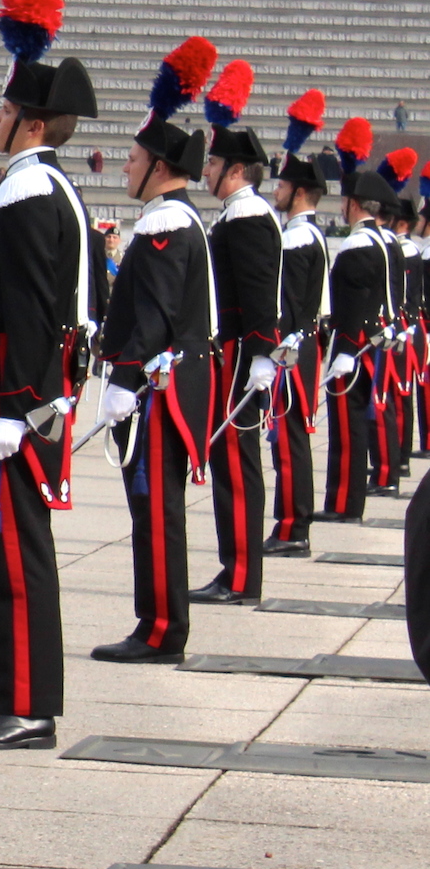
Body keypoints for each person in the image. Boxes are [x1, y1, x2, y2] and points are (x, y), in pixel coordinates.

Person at [0, 0, 97, 748]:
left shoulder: (32, 189)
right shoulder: (30, 183)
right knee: (8, 552)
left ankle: (29, 706)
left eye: (4, 108)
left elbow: (39, 311)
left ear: (30, 123)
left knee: (17, 551)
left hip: (14, 393)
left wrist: (20, 408)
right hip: (10, 391)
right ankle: (19, 699)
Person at [92, 38, 220, 665]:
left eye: (134, 158)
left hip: (158, 391)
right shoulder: (167, 219)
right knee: (151, 510)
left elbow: (157, 316)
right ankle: (154, 620)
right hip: (157, 386)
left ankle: (162, 627)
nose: (124, 167)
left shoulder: (167, 223)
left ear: (160, 167)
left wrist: (125, 375)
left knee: (157, 510)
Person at [194, 65, 283, 606]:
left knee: (238, 461)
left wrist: (261, 355)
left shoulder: (247, 218)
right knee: (230, 463)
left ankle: (242, 574)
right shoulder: (238, 215)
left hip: (239, 354)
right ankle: (234, 567)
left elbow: (257, 297)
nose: (206, 170)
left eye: (213, 162)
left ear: (236, 169)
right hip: (232, 351)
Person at [315, 119, 397, 525]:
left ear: (355, 204)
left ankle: (344, 502)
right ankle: (344, 499)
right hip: (368, 342)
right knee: (353, 426)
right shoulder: (381, 243)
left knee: (347, 430)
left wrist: (344, 349)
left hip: (353, 346)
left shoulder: (357, 246)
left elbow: (351, 304)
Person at [267, 93, 331, 555]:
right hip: (304, 344)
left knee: (288, 442)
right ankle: (293, 523)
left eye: (283, 185)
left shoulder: (297, 237)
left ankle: (293, 526)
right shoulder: (310, 233)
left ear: (301, 192)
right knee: (290, 438)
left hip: (293, 345)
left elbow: (288, 304)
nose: (277, 190)